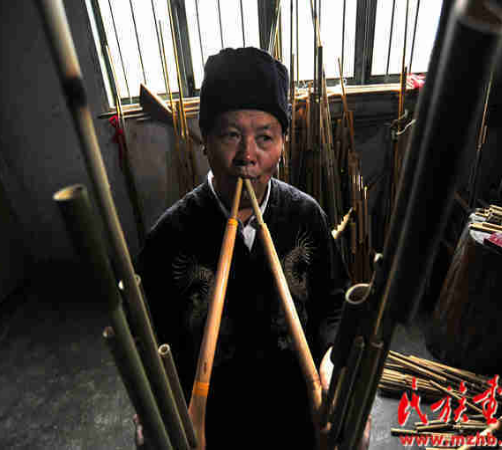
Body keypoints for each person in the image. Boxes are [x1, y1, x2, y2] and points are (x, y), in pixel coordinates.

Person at [135, 47, 358, 449]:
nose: (247, 157)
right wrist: (154, 412)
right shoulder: (169, 237)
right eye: (231, 135)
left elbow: (334, 305)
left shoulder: (306, 216)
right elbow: (152, 341)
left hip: (297, 415)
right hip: (211, 426)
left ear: (283, 144)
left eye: (265, 138)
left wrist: (331, 366)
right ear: (205, 140)